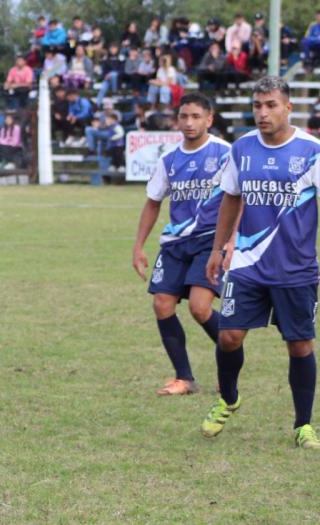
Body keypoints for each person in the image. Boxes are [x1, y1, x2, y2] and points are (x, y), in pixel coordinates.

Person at [202, 76, 320, 449]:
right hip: (247, 263)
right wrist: (218, 248)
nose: (262, 112)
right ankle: (229, 397)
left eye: (270, 105)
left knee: (300, 345)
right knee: (229, 335)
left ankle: (303, 425)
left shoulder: (312, 152)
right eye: (257, 105)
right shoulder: (242, 149)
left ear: (288, 107)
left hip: (296, 268)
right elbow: (231, 199)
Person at [132, 93, 232, 395]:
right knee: (161, 305)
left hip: (209, 242)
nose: (189, 123)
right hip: (175, 243)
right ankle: (184, 378)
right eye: (184, 116)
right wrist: (138, 246)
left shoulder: (227, 154)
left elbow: (239, 201)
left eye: (196, 117)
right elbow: (152, 203)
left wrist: (233, 241)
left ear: (209, 120)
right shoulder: (169, 159)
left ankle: (231, 356)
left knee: (200, 309)